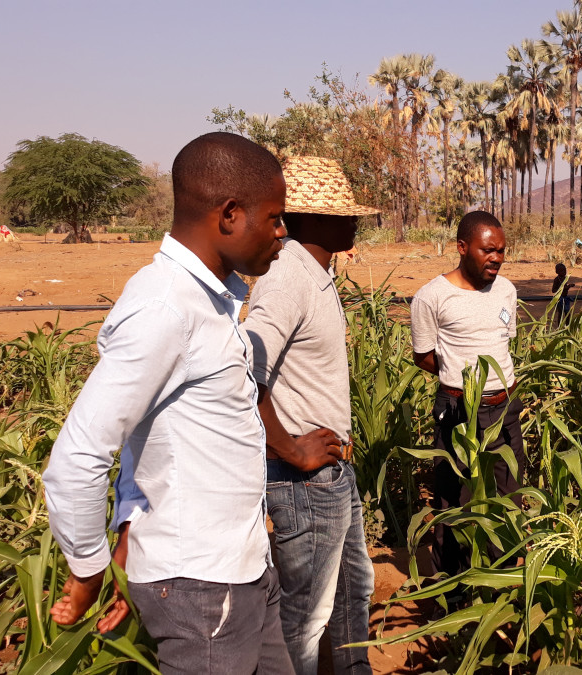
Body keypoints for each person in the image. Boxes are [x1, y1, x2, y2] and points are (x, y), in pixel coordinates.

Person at [43, 132, 304, 674]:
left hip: (244, 568)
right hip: (202, 591)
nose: (283, 234)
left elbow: (155, 445)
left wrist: (125, 547)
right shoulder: (165, 310)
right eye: (276, 218)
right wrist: (92, 570)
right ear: (229, 215)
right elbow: (77, 459)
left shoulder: (212, 301)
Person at [244, 157, 378, 675]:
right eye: (340, 212)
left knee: (352, 595)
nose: (353, 220)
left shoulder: (315, 273)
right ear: (308, 218)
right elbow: (244, 369)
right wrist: (289, 446)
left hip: (333, 474)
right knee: (303, 620)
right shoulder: (286, 276)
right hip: (303, 482)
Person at [410, 210, 523, 580]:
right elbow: (424, 355)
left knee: (509, 496)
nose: (496, 258)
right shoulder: (432, 297)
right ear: (462, 248)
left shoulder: (506, 289)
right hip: (458, 409)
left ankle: (502, 579)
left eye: (501, 251)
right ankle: (450, 591)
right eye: (488, 250)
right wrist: (458, 381)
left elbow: (505, 343)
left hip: (504, 410)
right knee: (451, 500)